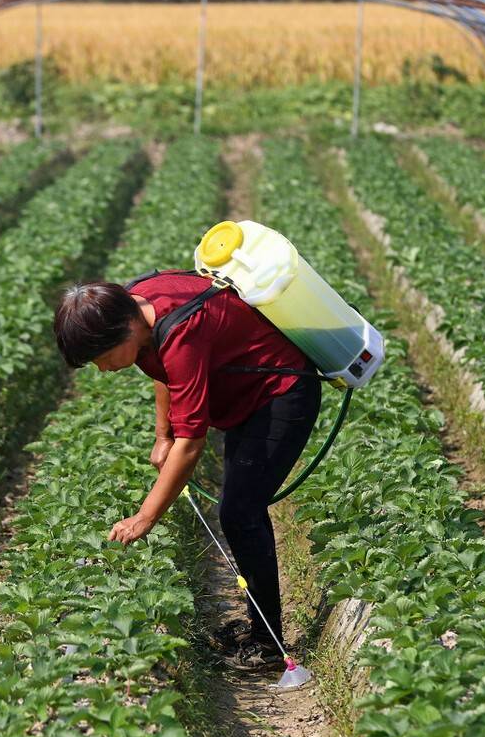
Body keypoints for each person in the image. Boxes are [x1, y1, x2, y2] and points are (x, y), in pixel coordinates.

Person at [53, 270, 321, 671]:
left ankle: (268, 643)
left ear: (125, 327)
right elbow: (164, 371)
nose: (104, 370)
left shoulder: (181, 330)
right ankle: (258, 629)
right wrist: (163, 433)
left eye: (103, 358)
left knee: (240, 512)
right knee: (239, 508)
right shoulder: (139, 305)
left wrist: (147, 516)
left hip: (281, 392)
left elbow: (192, 444)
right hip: (248, 397)